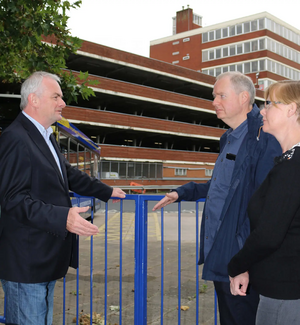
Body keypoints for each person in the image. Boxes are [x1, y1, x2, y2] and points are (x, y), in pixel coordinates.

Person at [153, 71, 282, 325]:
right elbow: (223, 186)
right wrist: (183, 191)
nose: (214, 102)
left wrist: (244, 260)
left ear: (244, 97)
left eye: (221, 95)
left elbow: (262, 203)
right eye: (214, 96)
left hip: (240, 258)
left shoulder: (263, 137)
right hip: (221, 253)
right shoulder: (229, 138)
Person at [0, 71, 126, 325]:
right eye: (56, 96)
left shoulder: (44, 135)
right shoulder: (15, 138)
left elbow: (66, 174)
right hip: (26, 263)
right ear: (34, 100)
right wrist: (63, 217)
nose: (63, 103)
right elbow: (12, 199)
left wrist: (105, 190)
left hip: (42, 258)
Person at [228, 80, 300, 325]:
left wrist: (236, 264)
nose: (263, 111)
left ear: (291, 109)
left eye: (270, 104)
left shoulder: (293, 166)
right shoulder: (288, 162)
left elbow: (269, 233)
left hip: (285, 293)